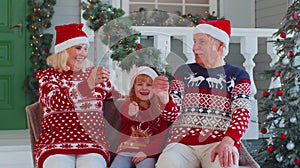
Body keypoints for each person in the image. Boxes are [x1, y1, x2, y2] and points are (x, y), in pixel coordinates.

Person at [155, 20, 252, 168]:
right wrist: (164, 98)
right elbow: (171, 117)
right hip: (182, 144)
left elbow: (242, 113)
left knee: (225, 164)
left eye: (202, 42)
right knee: (167, 163)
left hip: (218, 142)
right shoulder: (183, 72)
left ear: (220, 45)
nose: (194, 47)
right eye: (194, 42)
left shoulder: (239, 75)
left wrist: (228, 141)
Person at [34, 23, 112, 168]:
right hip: (55, 141)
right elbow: (55, 101)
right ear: (64, 50)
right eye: (78, 48)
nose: (83, 53)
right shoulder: (48, 77)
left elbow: (115, 97)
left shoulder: (94, 75)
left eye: (85, 49)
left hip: (92, 141)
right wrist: (87, 85)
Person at [110, 65, 180, 168]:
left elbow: (161, 137)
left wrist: (147, 152)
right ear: (134, 87)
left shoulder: (159, 108)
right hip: (126, 150)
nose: (144, 88)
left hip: (148, 153)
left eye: (149, 85)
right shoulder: (128, 105)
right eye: (139, 84)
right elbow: (125, 126)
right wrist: (131, 114)